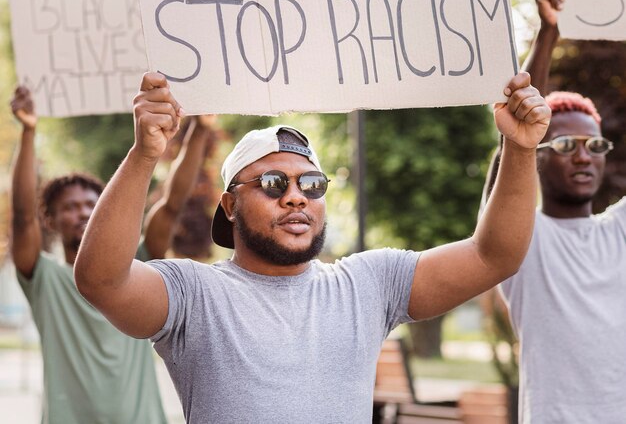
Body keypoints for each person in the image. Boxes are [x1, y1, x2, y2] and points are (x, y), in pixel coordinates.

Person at [74, 70, 550, 423]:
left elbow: (495, 255)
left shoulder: (368, 284)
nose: (296, 195)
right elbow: (101, 280)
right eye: (274, 182)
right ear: (231, 206)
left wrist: (521, 147)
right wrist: (145, 154)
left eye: (313, 183)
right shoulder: (194, 292)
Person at [9, 85, 214, 424]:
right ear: (51, 219)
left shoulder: (138, 266)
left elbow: (172, 204)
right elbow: (21, 215)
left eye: (91, 204)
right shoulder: (42, 277)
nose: (84, 213)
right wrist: (29, 131)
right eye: (70, 207)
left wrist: (201, 130)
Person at [482, 0, 626, 423]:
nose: (584, 157)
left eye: (595, 146)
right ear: (538, 154)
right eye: (565, 145)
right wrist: (548, 32)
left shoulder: (619, 230)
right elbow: (518, 126)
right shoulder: (522, 241)